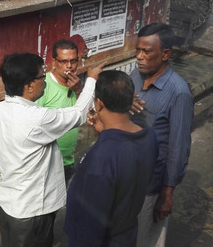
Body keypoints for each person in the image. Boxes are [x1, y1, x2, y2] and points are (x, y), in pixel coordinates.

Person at [0, 53, 103, 247]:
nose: (45, 82)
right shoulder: (36, 118)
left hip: (9, 203)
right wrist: (91, 79)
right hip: (32, 212)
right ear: (29, 85)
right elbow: (79, 113)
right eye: (42, 77)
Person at [65, 70, 158, 247]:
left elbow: (90, 226)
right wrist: (106, 132)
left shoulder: (102, 159)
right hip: (126, 234)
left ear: (98, 103)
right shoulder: (148, 137)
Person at [129, 23, 193, 247]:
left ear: (165, 54)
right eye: (137, 50)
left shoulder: (178, 92)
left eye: (146, 51)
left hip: (151, 186)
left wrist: (167, 194)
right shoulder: (135, 77)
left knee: (146, 240)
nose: (139, 57)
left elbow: (178, 146)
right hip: (127, 179)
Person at [36, 39, 82, 182]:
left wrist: (78, 90)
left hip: (68, 161)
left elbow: (87, 112)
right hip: (47, 164)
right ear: (54, 62)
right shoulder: (44, 86)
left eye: (73, 61)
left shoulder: (77, 85)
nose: (69, 66)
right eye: (63, 61)